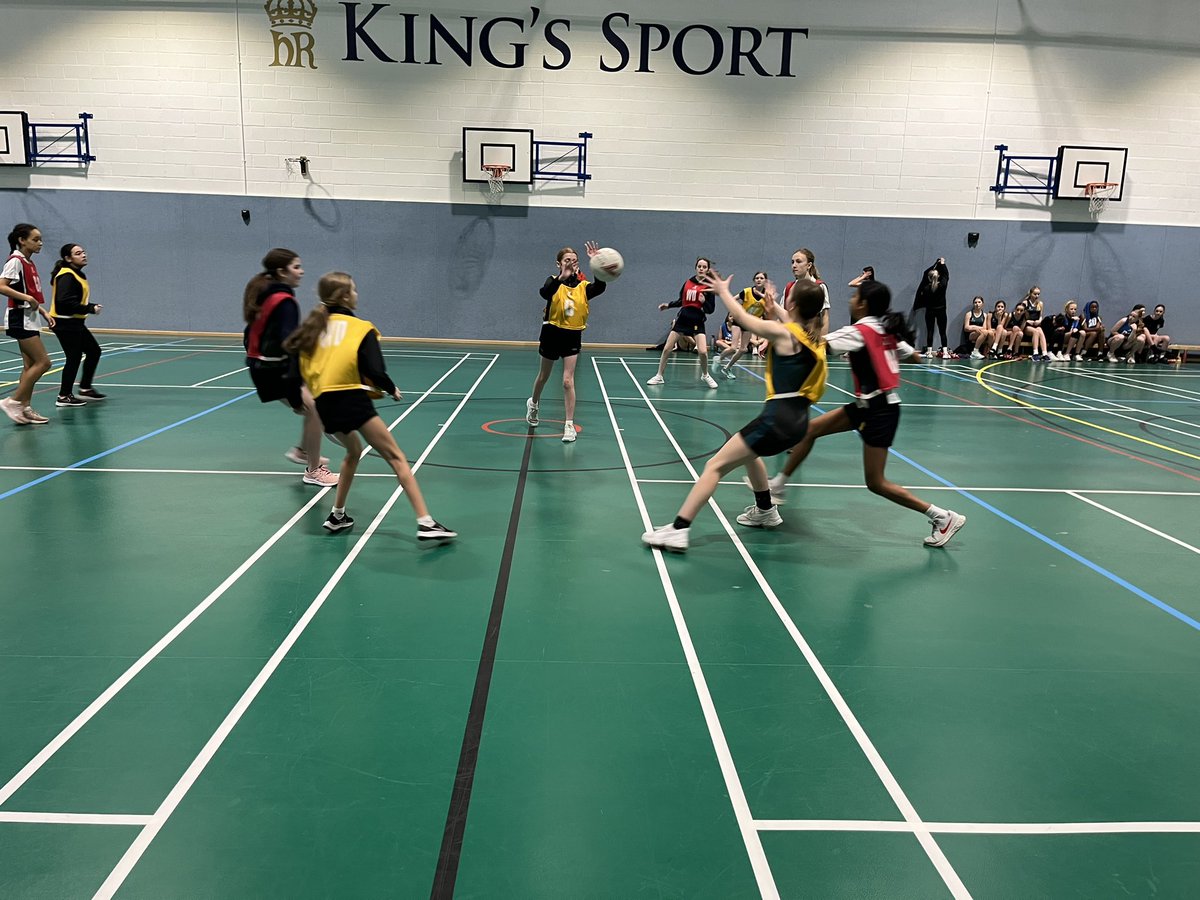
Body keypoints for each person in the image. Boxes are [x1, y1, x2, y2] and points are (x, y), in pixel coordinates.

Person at [766, 280, 967, 548]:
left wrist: (781, 315)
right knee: (811, 430)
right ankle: (778, 485)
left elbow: (812, 343)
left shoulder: (858, 332)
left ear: (863, 304)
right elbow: (915, 356)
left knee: (876, 482)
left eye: (854, 296)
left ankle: (942, 517)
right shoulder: (885, 330)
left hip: (879, 411)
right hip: (868, 405)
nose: (850, 300)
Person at [642, 278, 828, 551]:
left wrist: (723, 292)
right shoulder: (814, 338)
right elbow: (791, 317)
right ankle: (765, 510)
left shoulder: (783, 334)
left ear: (793, 304)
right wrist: (772, 305)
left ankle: (679, 529)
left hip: (776, 419)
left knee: (714, 466)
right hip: (798, 423)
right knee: (750, 454)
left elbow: (742, 318)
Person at [284, 272, 455, 539]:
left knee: (353, 452)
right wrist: (391, 388)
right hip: (351, 400)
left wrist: (298, 403)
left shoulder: (310, 330)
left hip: (323, 406)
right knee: (396, 457)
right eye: (353, 290)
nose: (356, 294)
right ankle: (426, 523)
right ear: (344, 296)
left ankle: (337, 515)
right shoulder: (361, 328)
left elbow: (293, 375)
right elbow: (375, 370)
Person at [243, 248, 338, 486]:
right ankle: (313, 470)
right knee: (316, 409)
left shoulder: (265, 294)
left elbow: (249, 333)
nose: (301, 271)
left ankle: (303, 452)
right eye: (296, 267)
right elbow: (290, 343)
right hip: (274, 370)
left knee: (313, 408)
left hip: (261, 367)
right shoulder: (285, 302)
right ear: (281, 271)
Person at [525, 242, 605, 442]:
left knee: (568, 381)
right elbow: (544, 293)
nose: (571, 263)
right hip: (551, 333)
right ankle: (533, 404)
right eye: (567, 260)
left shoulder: (583, 286)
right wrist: (562, 277)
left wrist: (596, 262)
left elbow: (600, 287)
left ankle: (569, 425)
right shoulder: (553, 281)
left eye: (574, 261)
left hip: (572, 335)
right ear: (559, 264)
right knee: (543, 376)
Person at [1, 223, 53, 425]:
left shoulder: (28, 262)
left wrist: (43, 311)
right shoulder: (16, 261)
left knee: (30, 365)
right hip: (19, 317)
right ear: (22, 240)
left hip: (29, 317)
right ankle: (12, 401)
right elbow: (2, 286)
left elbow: (30, 295)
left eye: (40, 239)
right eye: (35, 239)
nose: (40, 243)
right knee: (44, 363)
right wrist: (27, 298)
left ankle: (25, 407)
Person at [49, 243, 107, 407]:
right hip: (64, 323)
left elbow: (73, 300)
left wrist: (89, 307)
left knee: (93, 351)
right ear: (68, 258)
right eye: (78, 253)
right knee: (74, 357)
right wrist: (90, 308)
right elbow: (64, 303)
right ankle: (64, 396)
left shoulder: (76, 274)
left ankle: (85, 388)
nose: (83, 255)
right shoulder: (66, 276)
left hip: (74, 322)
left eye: (83, 252)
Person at [646, 257, 718, 388]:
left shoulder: (709, 287)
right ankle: (659, 376)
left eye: (704, 267)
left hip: (697, 321)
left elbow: (711, 310)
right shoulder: (688, 283)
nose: (701, 269)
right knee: (667, 348)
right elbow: (681, 301)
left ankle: (705, 375)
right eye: (699, 266)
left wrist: (703, 302)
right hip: (683, 319)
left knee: (703, 351)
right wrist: (668, 305)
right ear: (696, 268)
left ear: (708, 270)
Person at [712, 270, 769, 380]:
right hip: (739, 320)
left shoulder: (766, 296)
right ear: (754, 280)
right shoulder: (747, 292)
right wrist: (736, 310)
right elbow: (733, 299)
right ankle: (718, 359)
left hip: (749, 323)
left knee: (743, 349)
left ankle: (727, 368)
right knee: (734, 347)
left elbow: (768, 312)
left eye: (761, 278)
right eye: (757, 278)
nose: (759, 280)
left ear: (765, 281)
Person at [784, 248, 830, 335]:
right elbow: (783, 314)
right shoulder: (789, 287)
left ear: (809, 265)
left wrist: (823, 340)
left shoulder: (820, 286)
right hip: (791, 337)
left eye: (798, 261)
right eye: (792, 262)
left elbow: (825, 317)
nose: (794, 265)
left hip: (812, 337)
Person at [912, 257, 949, 358]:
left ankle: (929, 352)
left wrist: (934, 264)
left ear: (929, 278)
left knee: (930, 330)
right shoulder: (942, 286)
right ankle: (945, 352)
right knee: (942, 331)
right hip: (941, 311)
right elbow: (946, 275)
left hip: (930, 311)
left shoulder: (926, 288)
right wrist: (942, 264)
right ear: (938, 276)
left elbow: (925, 273)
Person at [1020, 287, 1049, 360]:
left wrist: (1039, 321)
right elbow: (1022, 316)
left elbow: (1041, 316)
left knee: (1040, 330)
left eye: (1038, 294)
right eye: (1035, 294)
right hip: (1027, 325)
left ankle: (1045, 353)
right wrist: (1028, 321)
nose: (1037, 296)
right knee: (1035, 331)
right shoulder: (1025, 303)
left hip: (1036, 324)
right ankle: (1035, 353)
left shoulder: (1040, 303)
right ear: (1030, 294)